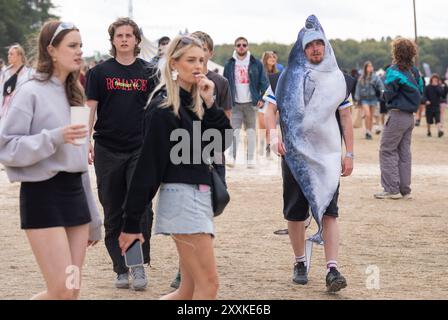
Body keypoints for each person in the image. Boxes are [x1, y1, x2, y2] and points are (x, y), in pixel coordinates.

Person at [118, 35, 232, 300]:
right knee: (209, 285)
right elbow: (148, 168)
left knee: (187, 290)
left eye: (202, 60)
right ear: (174, 63)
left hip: (199, 195)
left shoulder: (197, 102)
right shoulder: (163, 108)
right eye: (191, 60)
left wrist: (210, 103)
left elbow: (222, 142)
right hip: (182, 197)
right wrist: (132, 221)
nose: (198, 66)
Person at [0, 20, 102, 300]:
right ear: (52, 50)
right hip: (42, 197)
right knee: (61, 290)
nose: (79, 51)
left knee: (72, 291)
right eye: (72, 45)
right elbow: (7, 146)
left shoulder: (76, 95)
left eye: (81, 45)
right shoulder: (29, 90)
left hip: (76, 200)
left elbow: (80, 161)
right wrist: (54, 137)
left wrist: (93, 217)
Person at [265, 15, 354, 293]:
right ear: (302, 49)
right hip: (293, 154)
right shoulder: (284, 76)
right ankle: (300, 261)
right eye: (310, 45)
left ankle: (332, 268)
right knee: (294, 212)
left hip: (327, 156)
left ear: (326, 47)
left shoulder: (340, 80)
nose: (316, 49)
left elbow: (347, 118)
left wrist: (349, 153)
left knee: (329, 211)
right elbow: (269, 110)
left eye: (320, 44)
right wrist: (273, 136)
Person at [85, 18, 159, 291]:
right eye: (120, 35)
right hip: (107, 147)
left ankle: (137, 263)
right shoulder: (99, 73)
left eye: (129, 35)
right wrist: (85, 142)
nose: (125, 39)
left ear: (137, 40)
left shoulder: (150, 72)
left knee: (139, 207)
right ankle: (120, 268)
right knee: (113, 208)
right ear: (113, 40)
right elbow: (90, 108)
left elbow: (158, 111)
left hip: (140, 148)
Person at [374, 38, 423, 200]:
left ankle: (391, 189)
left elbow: (388, 93)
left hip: (397, 114)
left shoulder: (394, 70)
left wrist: (381, 94)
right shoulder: (416, 72)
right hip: (410, 117)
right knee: (404, 153)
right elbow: (421, 91)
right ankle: (404, 189)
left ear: (396, 52)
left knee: (387, 150)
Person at [223, 37, 269, 168]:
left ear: (247, 46)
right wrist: (226, 103)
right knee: (234, 132)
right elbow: (225, 84)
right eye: (238, 45)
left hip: (251, 103)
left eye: (244, 45)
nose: (241, 47)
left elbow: (264, 83)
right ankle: (231, 157)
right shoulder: (229, 64)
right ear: (235, 47)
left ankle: (250, 160)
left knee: (250, 132)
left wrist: (262, 99)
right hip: (235, 104)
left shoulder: (256, 63)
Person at [0, 44, 34, 117]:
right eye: (8, 54)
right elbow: (1, 91)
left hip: (19, 109)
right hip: (4, 109)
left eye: (11, 54)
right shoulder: (5, 72)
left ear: (19, 56)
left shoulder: (28, 73)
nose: (8, 56)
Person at [259, 51, 281, 159]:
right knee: (262, 127)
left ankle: (268, 149)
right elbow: (257, 86)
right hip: (263, 101)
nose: (272, 58)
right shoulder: (261, 72)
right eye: (270, 57)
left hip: (273, 102)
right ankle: (262, 146)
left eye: (274, 57)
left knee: (270, 127)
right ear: (265, 59)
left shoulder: (278, 73)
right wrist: (259, 99)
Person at [355, 61, 384, 139]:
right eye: (369, 66)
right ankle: (367, 131)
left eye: (371, 66)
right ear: (365, 68)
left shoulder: (376, 77)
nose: (371, 68)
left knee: (371, 116)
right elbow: (358, 88)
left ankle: (369, 132)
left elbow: (381, 86)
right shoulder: (361, 78)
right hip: (364, 99)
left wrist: (382, 92)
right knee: (367, 115)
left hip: (373, 99)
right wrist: (357, 98)